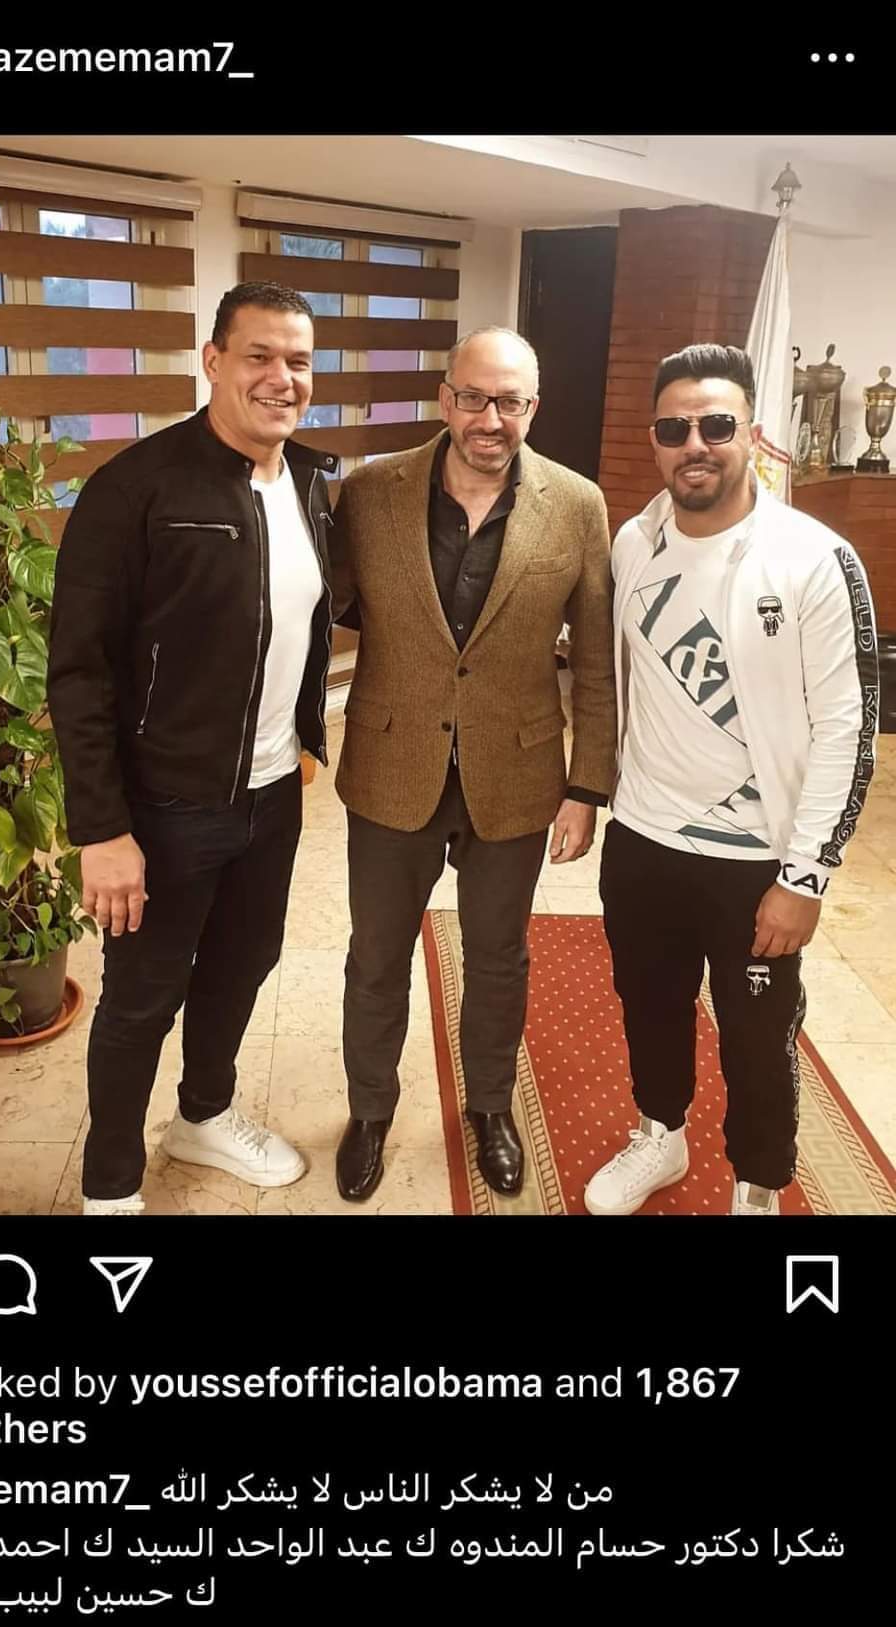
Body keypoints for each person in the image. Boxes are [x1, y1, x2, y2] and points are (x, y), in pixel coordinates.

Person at [48, 282, 341, 1215]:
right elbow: (78, 671)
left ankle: (204, 1114)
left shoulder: (311, 486)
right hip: (166, 805)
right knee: (142, 997)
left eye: (298, 360)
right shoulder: (135, 488)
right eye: (259, 355)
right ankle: (110, 1189)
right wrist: (103, 829)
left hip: (273, 791)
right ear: (212, 361)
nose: (281, 377)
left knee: (242, 964)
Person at [585, 344, 878, 1218]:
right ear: (655, 439)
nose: (695, 445)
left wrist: (805, 878)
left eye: (716, 424)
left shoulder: (814, 559)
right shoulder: (634, 542)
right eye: (675, 428)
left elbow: (848, 730)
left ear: (752, 431)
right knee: (650, 1005)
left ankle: (758, 1183)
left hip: (756, 860)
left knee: (756, 1038)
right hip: (643, 839)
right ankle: (660, 1133)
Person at [330, 327, 616, 1200]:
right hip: (390, 763)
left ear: (535, 406)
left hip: (517, 772)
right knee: (376, 957)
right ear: (445, 396)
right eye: (474, 397)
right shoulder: (369, 493)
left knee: (498, 957)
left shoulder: (578, 505)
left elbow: (596, 660)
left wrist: (587, 786)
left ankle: (490, 1104)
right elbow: (312, 615)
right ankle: (369, 1110)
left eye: (510, 401)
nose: (490, 419)